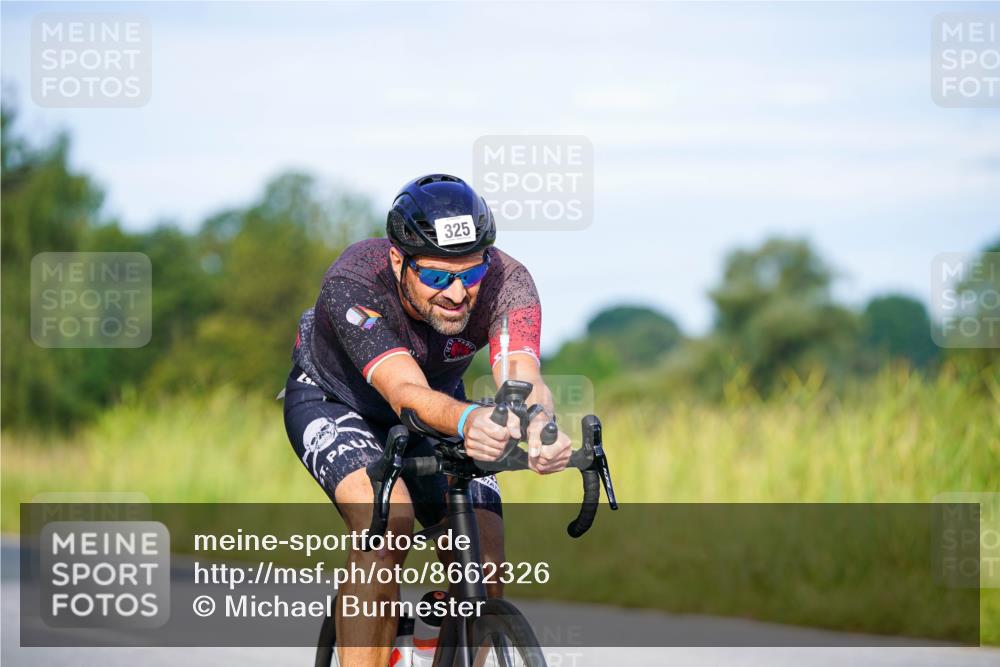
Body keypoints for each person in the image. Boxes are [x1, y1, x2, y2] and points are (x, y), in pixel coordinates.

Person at [282, 173, 572, 667]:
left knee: (481, 550)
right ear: (399, 259)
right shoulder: (353, 281)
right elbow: (406, 392)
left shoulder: (510, 280)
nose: (458, 293)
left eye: (471, 274)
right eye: (438, 277)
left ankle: (440, 642)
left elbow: (521, 376)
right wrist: (469, 421)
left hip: (440, 404)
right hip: (339, 401)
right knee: (387, 524)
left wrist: (540, 425)